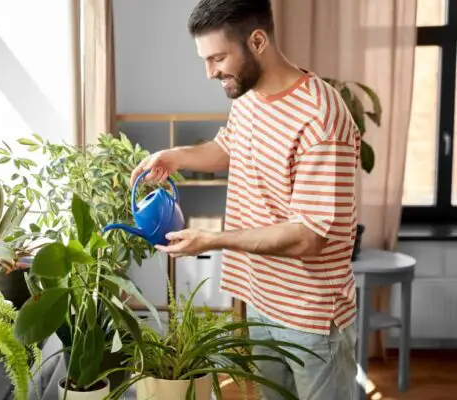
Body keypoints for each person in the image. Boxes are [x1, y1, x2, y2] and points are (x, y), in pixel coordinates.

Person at [130, 0, 360, 399]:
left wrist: (214, 240)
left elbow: (308, 237)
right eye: (205, 59)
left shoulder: (321, 117)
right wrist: (173, 156)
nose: (210, 72)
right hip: (261, 299)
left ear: (257, 41)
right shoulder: (249, 98)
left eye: (218, 57)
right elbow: (229, 148)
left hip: (311, 315)